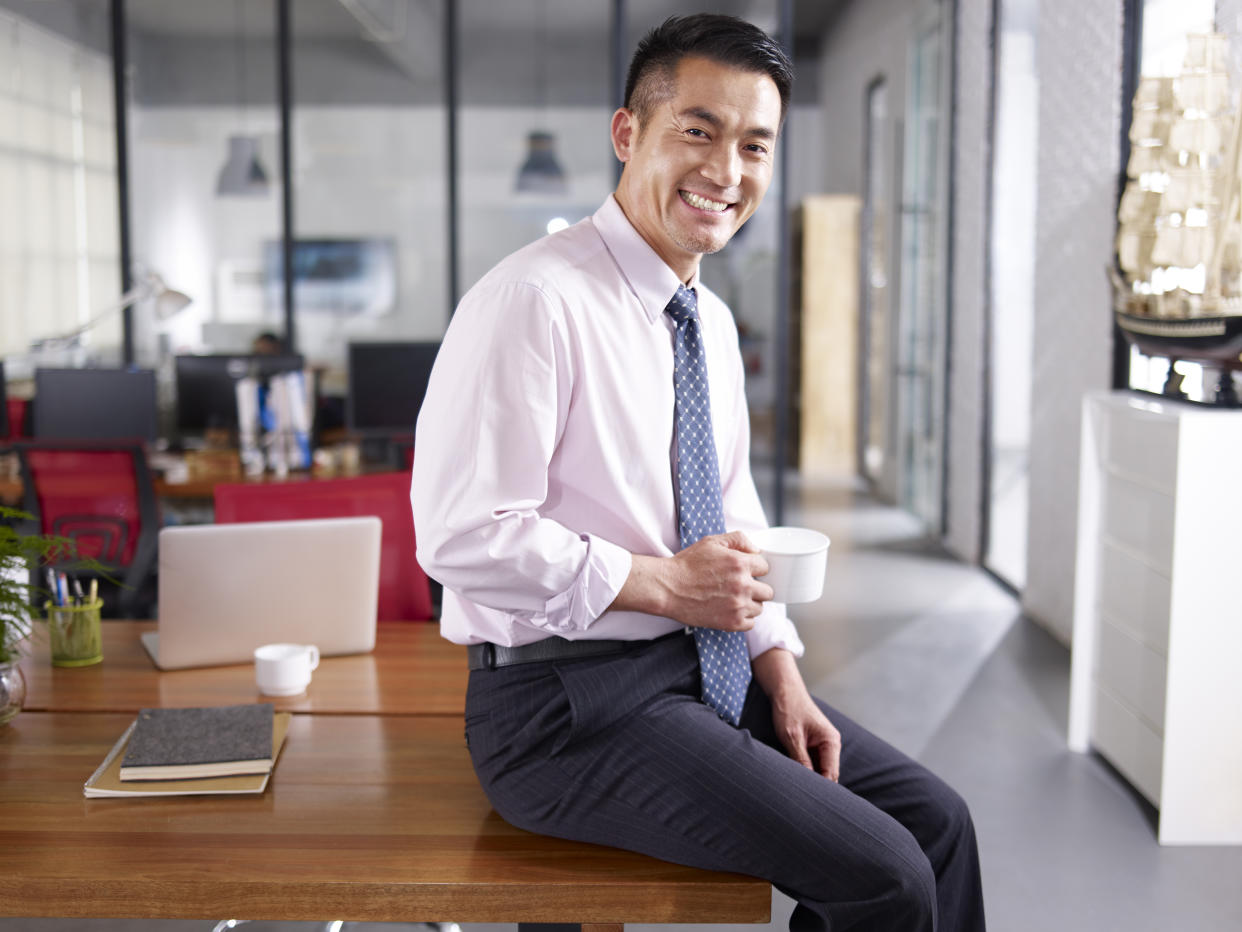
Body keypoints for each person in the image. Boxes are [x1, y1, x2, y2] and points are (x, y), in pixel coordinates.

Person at [412, 14, 985, 931]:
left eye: (755, 144)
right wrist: (660, 585)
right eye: (699, 130)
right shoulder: (533, 301)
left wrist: (780, 666)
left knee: (939, 824)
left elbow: (728, 508)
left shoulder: (704, 318)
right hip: (561, 709)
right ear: (627, 133)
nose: (728, 171)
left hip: (701, 673)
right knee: (886, 875)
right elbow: (461, 535)